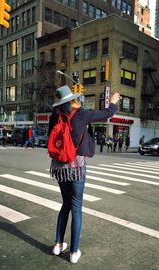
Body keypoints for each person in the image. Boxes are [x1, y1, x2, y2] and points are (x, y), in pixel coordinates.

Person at [48, 85, 120, 264]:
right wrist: (113, 102)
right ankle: (73, 252)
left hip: (58, 167)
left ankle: (58, 244)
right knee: (76, 207)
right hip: (77, 166)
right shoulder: (82, 114)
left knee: (65, 204)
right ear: (73, 99)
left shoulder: (55, 116)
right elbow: (107, 113)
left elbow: (51, 137)